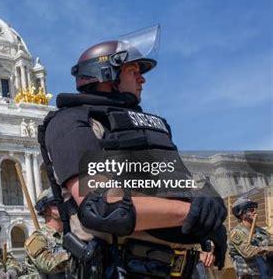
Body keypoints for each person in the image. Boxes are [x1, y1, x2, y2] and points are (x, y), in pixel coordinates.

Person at [38, 25, 228, 278]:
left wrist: (209, 207)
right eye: (133, 70)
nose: (142, 78)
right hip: (123, 269)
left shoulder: (150, 125)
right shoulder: (73, 121)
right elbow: (102, 208)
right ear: (106, 73)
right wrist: (192, 213)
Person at [24, 188, 70, 278]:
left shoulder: (71, 234)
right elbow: (48, 264)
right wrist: (77, 255)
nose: (62, 205)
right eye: (56, 203)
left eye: (64, 202)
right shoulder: (36, 239)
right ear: (44, 208)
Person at [229, 197, 273, 278]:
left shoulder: (261, 231)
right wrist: (267, 249)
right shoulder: (236, 233)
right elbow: (247, 252)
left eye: (255, 209)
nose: (255, 212)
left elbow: (270, 242)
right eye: (251, 210)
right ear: (241, 213)